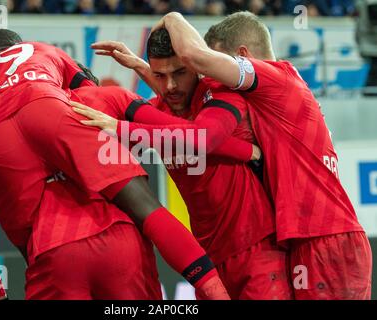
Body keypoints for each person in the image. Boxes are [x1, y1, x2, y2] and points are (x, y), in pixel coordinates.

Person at [0, 29, 228, 299]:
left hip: (47, 243)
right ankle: (214, 291)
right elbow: (184, 134)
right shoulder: (80, 79)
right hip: (122, 242)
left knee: (28, 241)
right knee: (146, 207)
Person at [139, 11, 372, 299]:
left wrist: (172, 17)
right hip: (308, 238)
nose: (212, 81)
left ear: (242, 56)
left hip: (324, 235)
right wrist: (143, 69)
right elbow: (186, 103)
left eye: (219, 65)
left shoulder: (276, 78)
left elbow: (194, 57)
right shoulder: (273, 96)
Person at [73, 28, 293, 299]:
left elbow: (201, 139)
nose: (170, 87)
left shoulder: (221, 94)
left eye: (179, 73)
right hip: (208, 260)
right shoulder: (154, 113)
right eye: (159, 76)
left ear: (195, 66)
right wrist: (246, 151)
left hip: (258, 250)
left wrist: (120, 128)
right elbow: (178, 128)